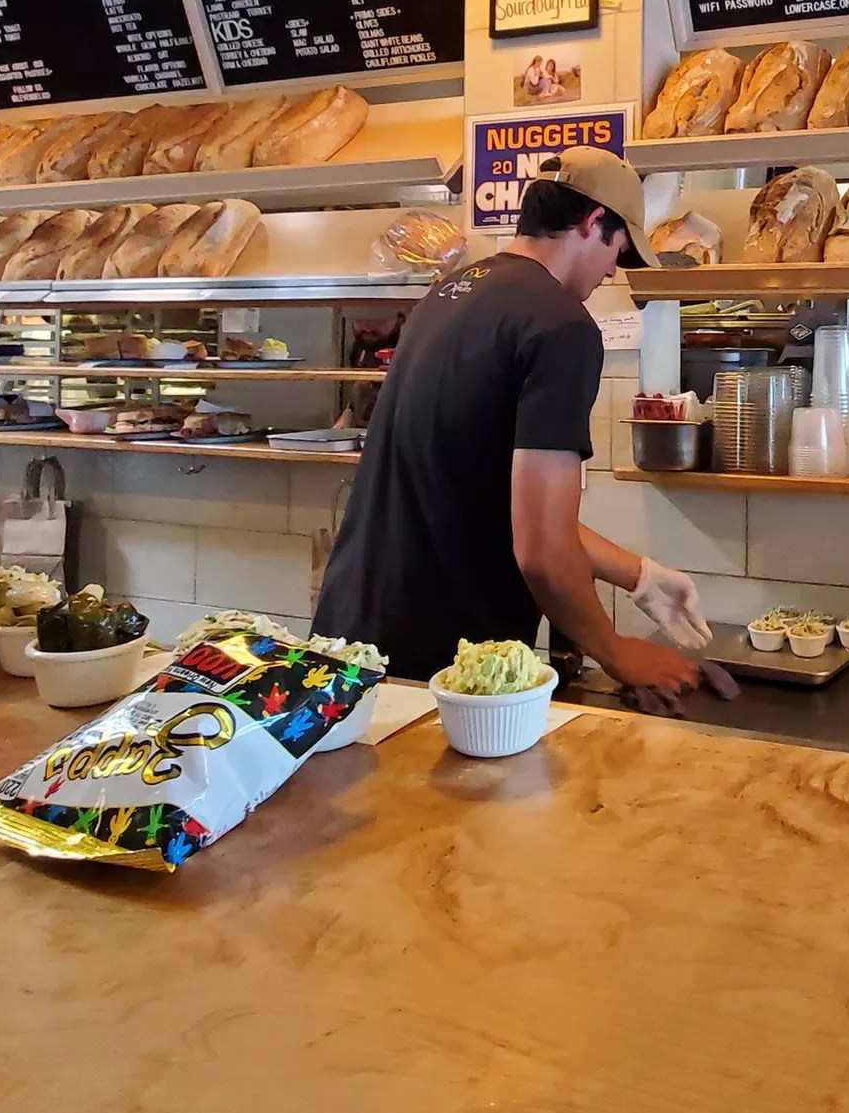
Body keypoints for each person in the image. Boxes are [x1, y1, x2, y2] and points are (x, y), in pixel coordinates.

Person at [313, 147, 731, 710]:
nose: (612, 269)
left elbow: (495, 497)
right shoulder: (561, 326)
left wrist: (639, 576)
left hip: (353, 632)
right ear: (592, 222)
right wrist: (617, 651)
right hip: (447, 666)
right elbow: (541, 548)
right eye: (618, 248)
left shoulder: (449, 293)